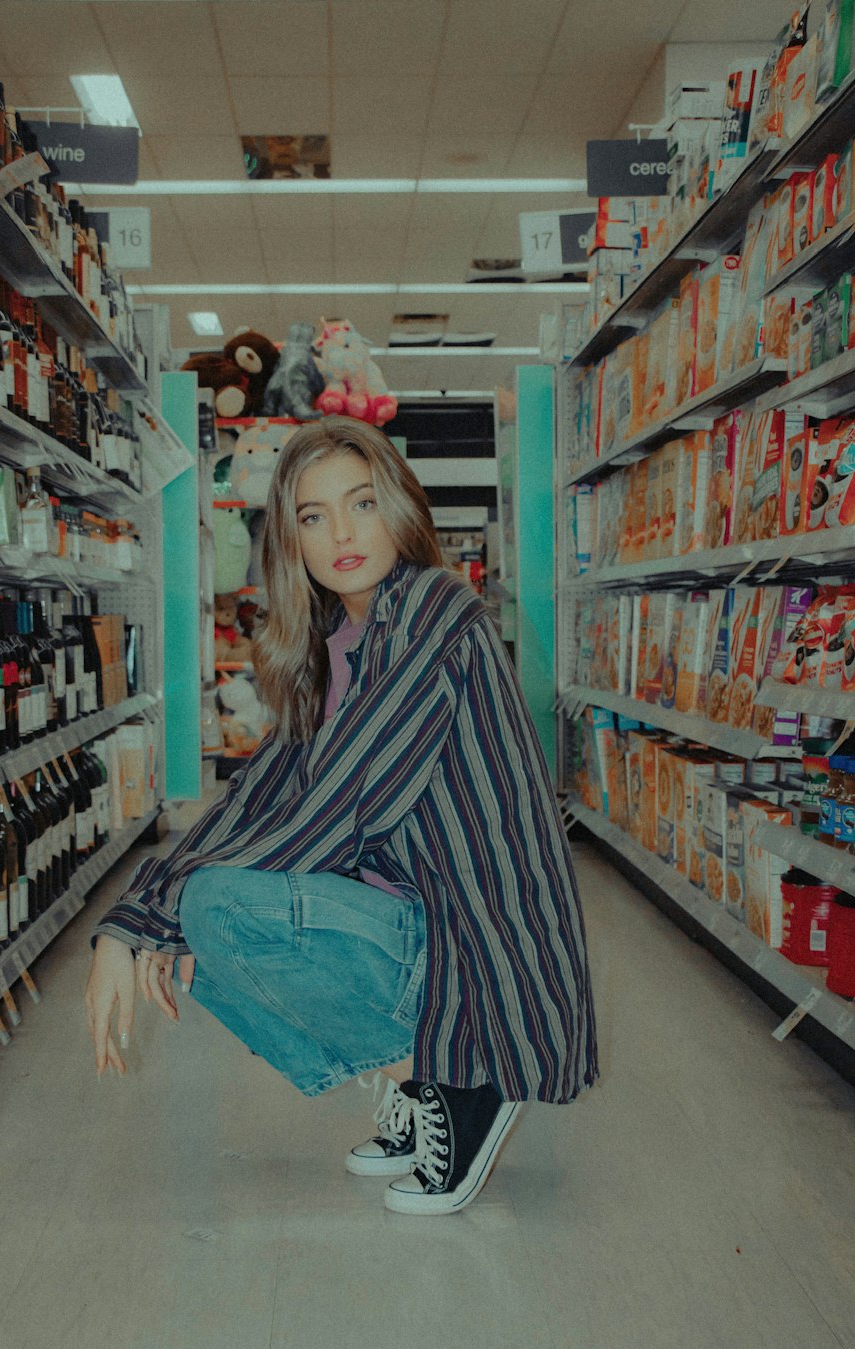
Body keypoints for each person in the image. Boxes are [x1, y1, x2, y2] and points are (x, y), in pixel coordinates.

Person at [85, 416, 597, 1216]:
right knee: (201, 926)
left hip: (482, 953)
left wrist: (152, 911)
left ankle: (467, 1089)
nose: (342, 534)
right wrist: (140, 919)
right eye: (313, 517)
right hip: (420, 929)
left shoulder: (434, 612)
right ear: (290, 539)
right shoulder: (332, 638)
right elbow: (258, 796)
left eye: (361, 504)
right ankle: (422, 1085)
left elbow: (340, 806)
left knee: (214, 905)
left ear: (398, 507)